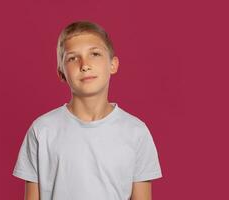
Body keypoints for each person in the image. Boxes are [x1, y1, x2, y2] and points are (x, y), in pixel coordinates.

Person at [12, 20, 162, 200]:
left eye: (95, 54)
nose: (84, 64)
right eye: (73, 58)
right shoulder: (42, 130)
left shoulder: (136, 132)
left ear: (113, 64)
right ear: (61, 72)